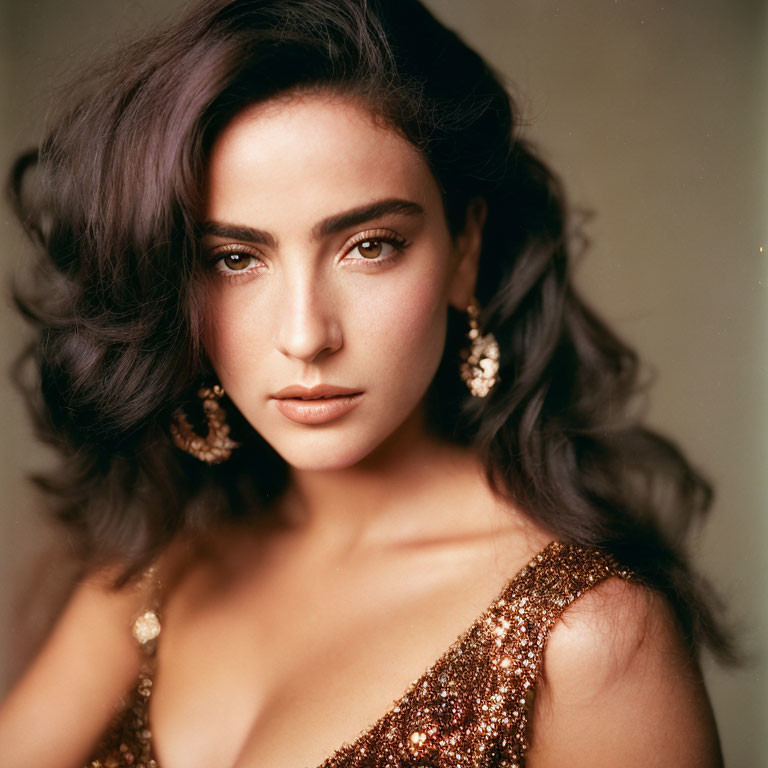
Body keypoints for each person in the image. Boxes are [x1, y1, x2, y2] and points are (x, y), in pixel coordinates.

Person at [0, 0, 734, 765]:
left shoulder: (587, 637)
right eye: (235, 259)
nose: (305, 335)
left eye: (370, 246)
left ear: (463, 251)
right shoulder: (159, 572)